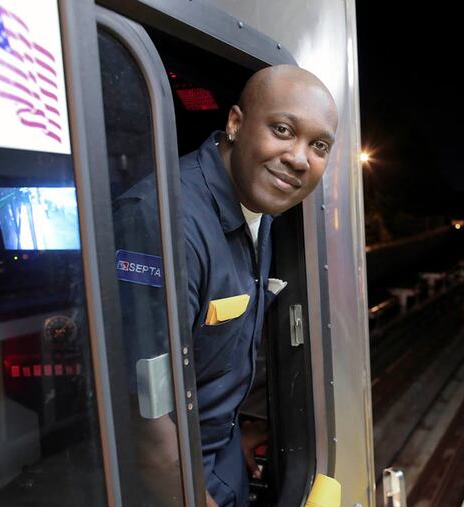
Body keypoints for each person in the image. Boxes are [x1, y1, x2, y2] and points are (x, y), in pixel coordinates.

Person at [113, 64, 338, 507]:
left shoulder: (261, 206)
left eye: (318, 145)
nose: (298, 158)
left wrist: (234, 432)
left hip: (219, 456)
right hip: (173, 483)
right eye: (282, 129)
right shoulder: (163, 223)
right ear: (235, 123)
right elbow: (147, 433)